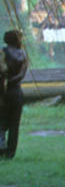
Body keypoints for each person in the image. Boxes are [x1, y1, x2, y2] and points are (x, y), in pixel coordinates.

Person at [1, 30, 28, 158]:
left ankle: (1, 149)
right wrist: (13, 81)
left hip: (3, 91)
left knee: (1, 122)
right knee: (14, 124)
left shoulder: (3, 52)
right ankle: (10, 153)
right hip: (17, 91)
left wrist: (6, 82)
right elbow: (22, 74)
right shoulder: (23, 54)